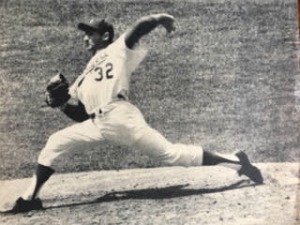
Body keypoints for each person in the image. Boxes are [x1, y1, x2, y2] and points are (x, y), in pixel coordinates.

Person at [11, 13, 263, 213]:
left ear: (106, 35)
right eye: (85, 33)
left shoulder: (117, 49)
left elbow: (138, 27)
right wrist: (63, 104)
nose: (85, 37)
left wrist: (158, 18)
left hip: (122, 119)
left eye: (91, 33)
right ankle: (29, 198)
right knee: (55, 142)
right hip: (98, 124)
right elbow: (82, 116)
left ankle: (237, 161)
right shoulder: (84, 75)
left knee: (172, 155)